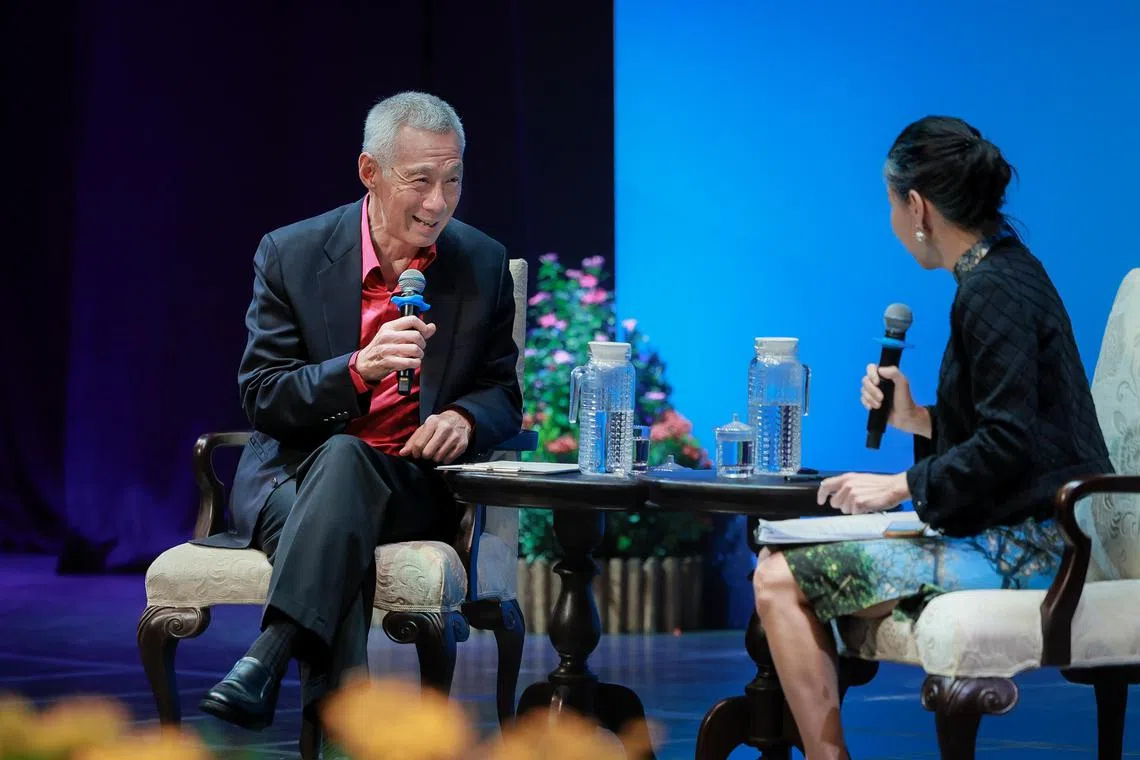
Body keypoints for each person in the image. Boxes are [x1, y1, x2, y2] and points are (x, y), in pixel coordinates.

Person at [751, 116, 1113, 760]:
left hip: (1035, 546)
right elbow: (1017, 427)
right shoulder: (1003, 272)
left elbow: (1009, 443)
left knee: (776, 579)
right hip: (1030, 529)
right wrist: (916, 417)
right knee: (799, 571)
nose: (892, 221)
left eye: (892, 204)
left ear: (916, 206)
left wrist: (897, 487)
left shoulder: (992, 287)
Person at [194, 91, 522, 732]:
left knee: (344, 480)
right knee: (341, 464)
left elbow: (502, 393)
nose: (438, 203)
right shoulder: (291, 254)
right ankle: (344, 731)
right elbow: (264, 394)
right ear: (370, 173)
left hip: (410, 484)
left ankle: (269, 652)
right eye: (420, 181)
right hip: (293, 478)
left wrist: (464, 418)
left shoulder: (480, 262)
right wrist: (358, 369)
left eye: (452, 180)